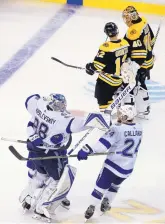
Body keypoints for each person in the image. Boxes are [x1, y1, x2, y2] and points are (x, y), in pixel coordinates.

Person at [19, 93, 109, 222]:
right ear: (52, 104)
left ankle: (27, 197)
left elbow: (30, 99)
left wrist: (33, 136)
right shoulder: (61, 120)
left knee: (40, 175)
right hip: (53, 153)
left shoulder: (39, 104)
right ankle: (43, 208)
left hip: (37, 150)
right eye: (58, 105)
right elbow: (82, 123)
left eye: (62, 104)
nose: (61, 107)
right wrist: (98, 119)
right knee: (58, 179)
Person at [77, 105, 143, 220]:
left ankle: (92, 206)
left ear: (124, 116)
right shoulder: (139, 127)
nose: (118, 115)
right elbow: (125, 130)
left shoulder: (116, 129)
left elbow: (103, 145)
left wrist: (88, 150)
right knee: (115, 185)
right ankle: (107, 201)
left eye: (120, 113)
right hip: (128, 168)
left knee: (100, 187)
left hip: (113, 166)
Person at [85, 22, 131, 112]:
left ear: (106, 33)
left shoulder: (106, 47)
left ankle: (105, 117)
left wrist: (90, 67)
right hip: (119, 80)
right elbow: (127, 59)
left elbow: (97, 65)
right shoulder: (125, 43)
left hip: (107, 81)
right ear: (117, 31)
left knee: (102, 99)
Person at [122, 6, 155, 116]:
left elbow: (139, 52)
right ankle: (144, 107)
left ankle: (131, 108)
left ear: (132, 16)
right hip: (148, 59)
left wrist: (134, 66)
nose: (126, 20)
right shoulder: (143, 21)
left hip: (140, 62)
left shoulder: (133, 31)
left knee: (132, 83)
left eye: (127, 17)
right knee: (141, 81)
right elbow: (152, 39)